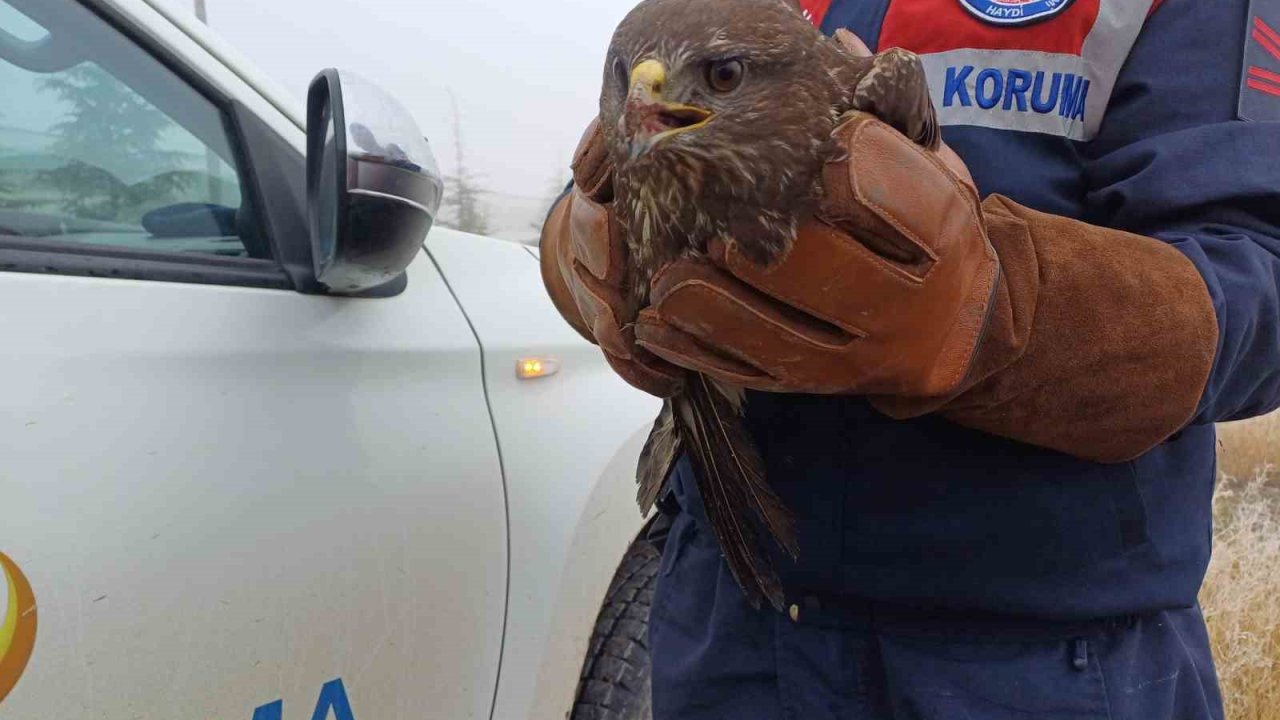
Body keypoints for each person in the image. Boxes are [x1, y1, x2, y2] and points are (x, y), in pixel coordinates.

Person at [540, 0, 1280, 717]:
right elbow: (595, 185)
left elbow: (1256, 285)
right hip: (729, 622)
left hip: (1039, 656)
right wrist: (583, 258)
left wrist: (1002, 314)